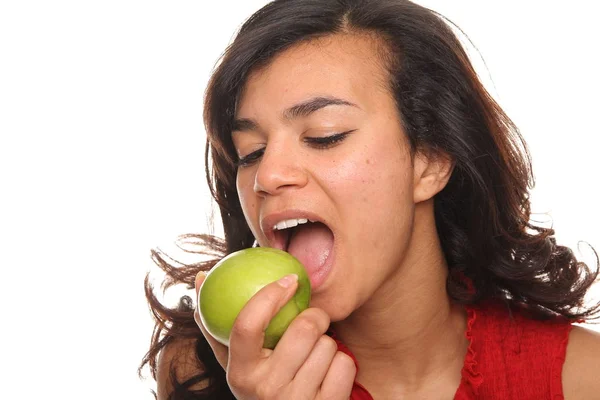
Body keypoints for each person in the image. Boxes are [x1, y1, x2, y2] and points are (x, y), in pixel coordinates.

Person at [139, 0, 600, 398]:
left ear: (431, 161)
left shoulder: (583, 379)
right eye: (251, 153)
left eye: (325, 136)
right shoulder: (202, 371)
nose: (268, 175)